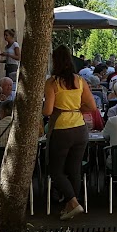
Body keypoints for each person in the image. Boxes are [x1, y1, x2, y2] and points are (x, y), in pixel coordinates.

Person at [43, 45, 98, 221]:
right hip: (80, 128)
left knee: (56, 171)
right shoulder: (80, 80)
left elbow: (48, 111)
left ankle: (73, 202)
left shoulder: (52, 82)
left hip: (61, 128)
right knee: (74, 169)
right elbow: (92, 106)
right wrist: (75, 109)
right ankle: (72, 206)